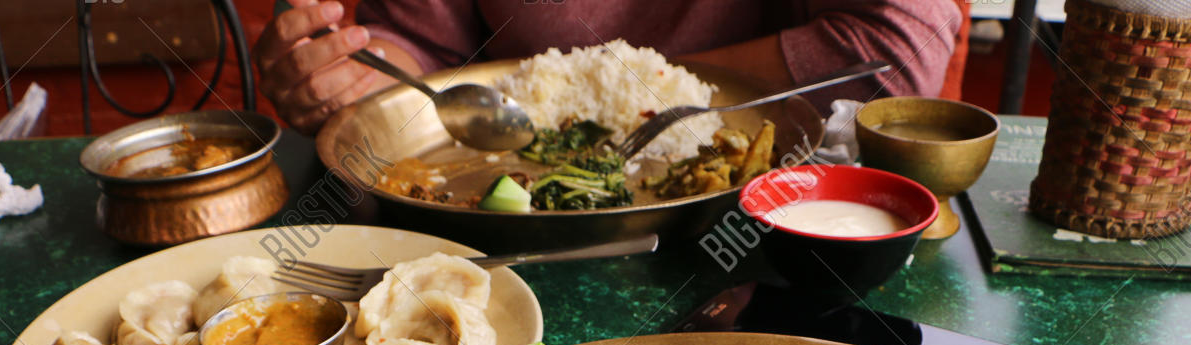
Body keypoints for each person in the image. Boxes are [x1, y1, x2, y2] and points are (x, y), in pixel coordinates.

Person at [255, 0, 963, 136]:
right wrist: (349, 72)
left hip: (768, 246)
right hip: (519, 236)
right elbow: (426, 50)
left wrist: (629, 88)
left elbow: (897, 56)